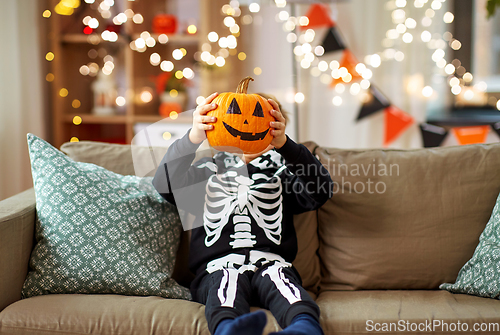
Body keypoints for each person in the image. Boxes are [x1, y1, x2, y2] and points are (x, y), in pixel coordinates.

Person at [153, 92, 333, 335]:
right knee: (226, 283)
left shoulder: (282, 174)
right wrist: (193, 137)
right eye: (240, 116)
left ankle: (304, 328)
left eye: (265, 121)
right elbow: (164, 184)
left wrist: (286, 146)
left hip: (272, 262)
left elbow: (321, 189)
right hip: (217, 266)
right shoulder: (206, 171)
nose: (249, 124)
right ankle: (229, 329)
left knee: (282, 282)